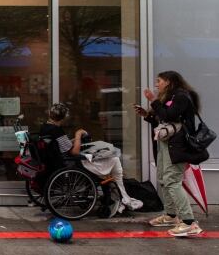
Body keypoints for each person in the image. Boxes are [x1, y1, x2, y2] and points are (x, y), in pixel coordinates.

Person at [135, 70, 204, 237]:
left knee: (172, 180)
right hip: (167, 144)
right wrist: (148, 115)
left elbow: (170, 115)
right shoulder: (171, 97)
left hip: (178, 146)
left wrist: (153, 100)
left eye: (159, 81)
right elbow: (164, 119)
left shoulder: (181, 96)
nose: (156, 84)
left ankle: (189, 222)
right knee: (164, 179)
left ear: (168, 81)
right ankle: (171, 215)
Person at [40, 103, 140, 212]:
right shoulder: (56, 130)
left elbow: (62, 145)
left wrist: (74, 140)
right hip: (70, 163)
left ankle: (121, 195)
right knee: (114, 159)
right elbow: (74, 152)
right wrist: (78, 134)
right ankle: (123, 196)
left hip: (57, 160)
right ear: (63, 118)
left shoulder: (45, 127)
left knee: (111, 162)